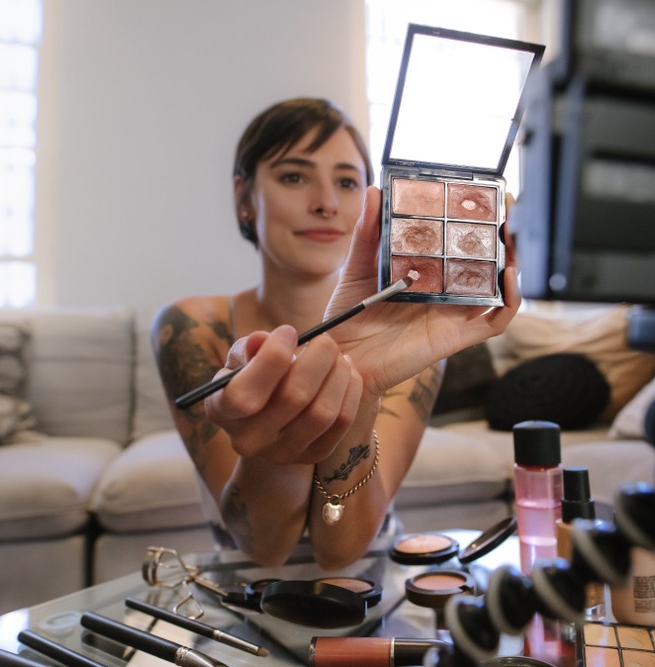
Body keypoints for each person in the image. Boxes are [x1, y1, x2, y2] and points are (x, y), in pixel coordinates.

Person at [152, 97, 519, 570]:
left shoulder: (405, 338)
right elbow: (262, 547)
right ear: (244, 198)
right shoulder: (191, 327)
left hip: (369, 582)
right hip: (242, 589)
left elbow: (342, 550)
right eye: (294, 176)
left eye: (347, 182)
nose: (326, 203)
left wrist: (360, 387)